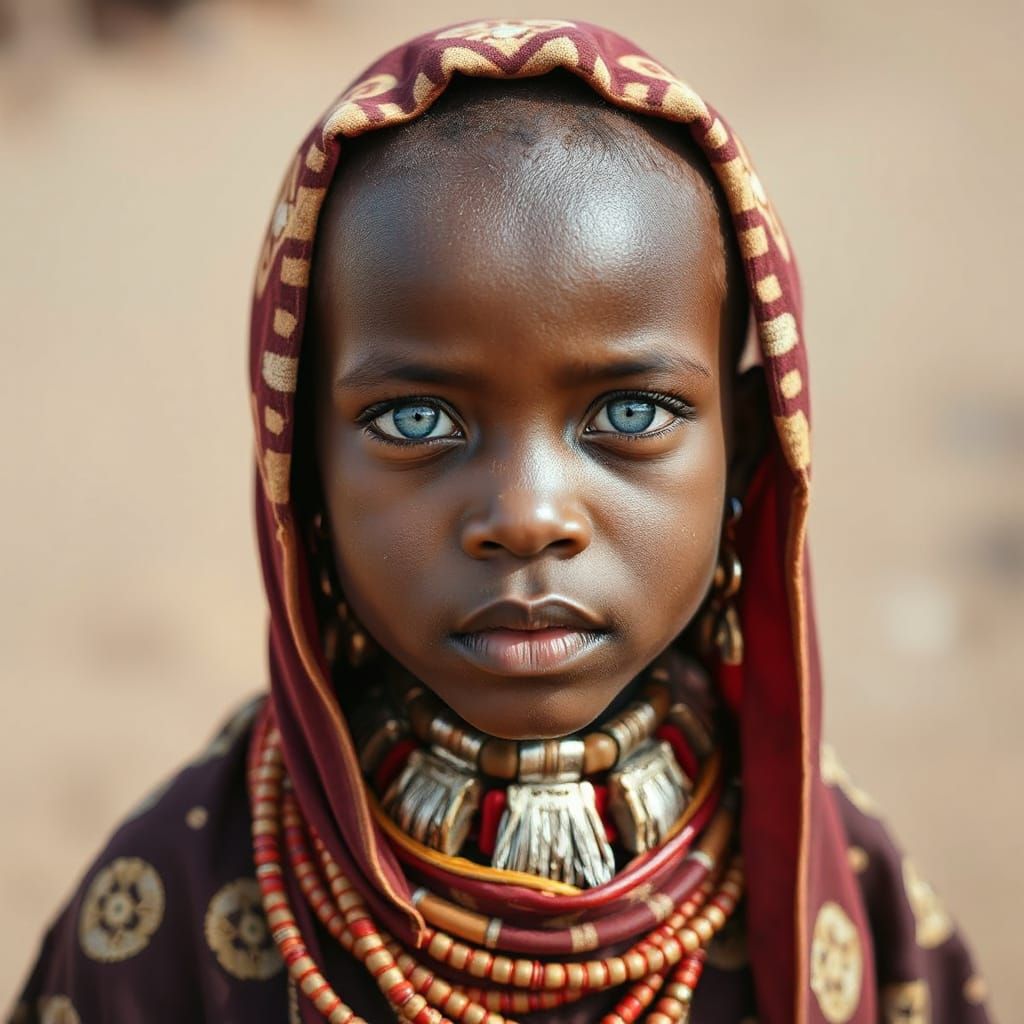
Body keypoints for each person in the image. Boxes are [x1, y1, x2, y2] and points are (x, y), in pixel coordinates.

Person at [9, 18, 992, 1024]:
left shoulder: (838, 882)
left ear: (744, 451)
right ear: (298, 471)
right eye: (416, 419)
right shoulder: (169, 905)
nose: (526, 518)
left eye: (628, 413)